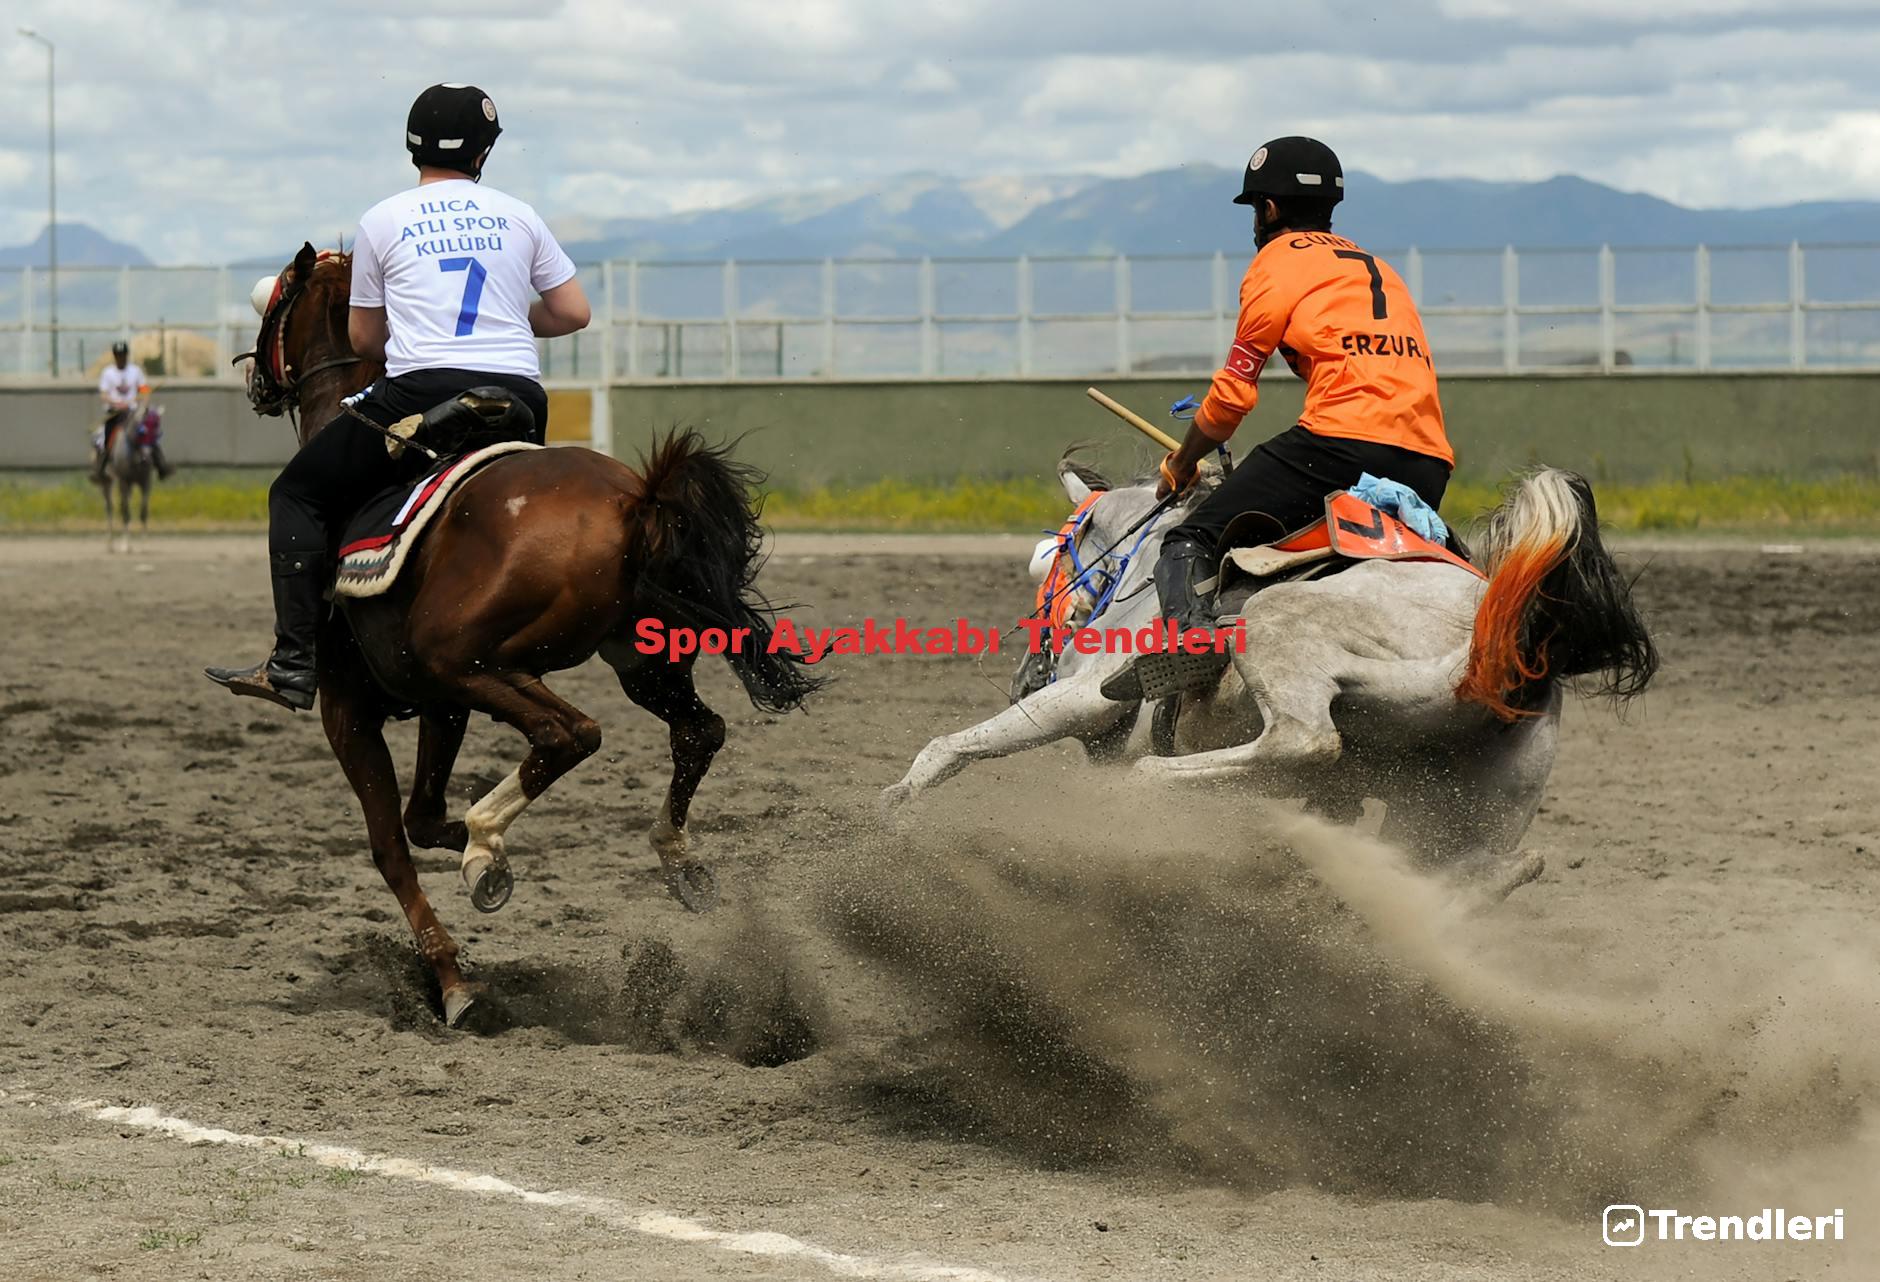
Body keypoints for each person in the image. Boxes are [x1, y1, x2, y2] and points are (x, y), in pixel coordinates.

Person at [206, 83, 592, 712]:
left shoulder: (383, 220)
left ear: (414, 148)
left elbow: (364, 338)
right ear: (483, 153)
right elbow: (574, 312)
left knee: (297, 494)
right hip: (521, 396)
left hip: (421, 393)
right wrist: (507, 320)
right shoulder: (520, 215)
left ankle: (293, 663)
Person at [1102, 136, 1455, 703]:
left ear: (1267, 209)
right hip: (1428, 462)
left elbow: (1232, 398)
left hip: (1338, 448)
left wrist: (1181, 463)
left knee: (1189, 537)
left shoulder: (1276, 263)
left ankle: (1190, 649)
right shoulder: (1380, 267)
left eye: (1254, 210)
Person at [93, 341, 172, 480]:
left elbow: (144, 390)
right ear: (114, 356)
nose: (121, 358)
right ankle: (101, 469)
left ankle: (161, 465)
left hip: (133, 413)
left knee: (149, 434)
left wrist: (144, 405)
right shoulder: (108, 373)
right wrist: (117, 403)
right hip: (115, 413)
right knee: (106, 438)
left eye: (123, 355)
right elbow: (104, 394)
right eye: (118, 355)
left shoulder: (135, 371)